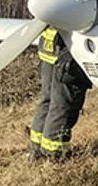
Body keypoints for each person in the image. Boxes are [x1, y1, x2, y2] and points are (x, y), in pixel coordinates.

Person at [29, 27, 91, 159]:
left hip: (49, 47)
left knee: (47, 100)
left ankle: (36, 151)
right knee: (63, 106)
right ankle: (54, 154)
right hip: (67, 53)